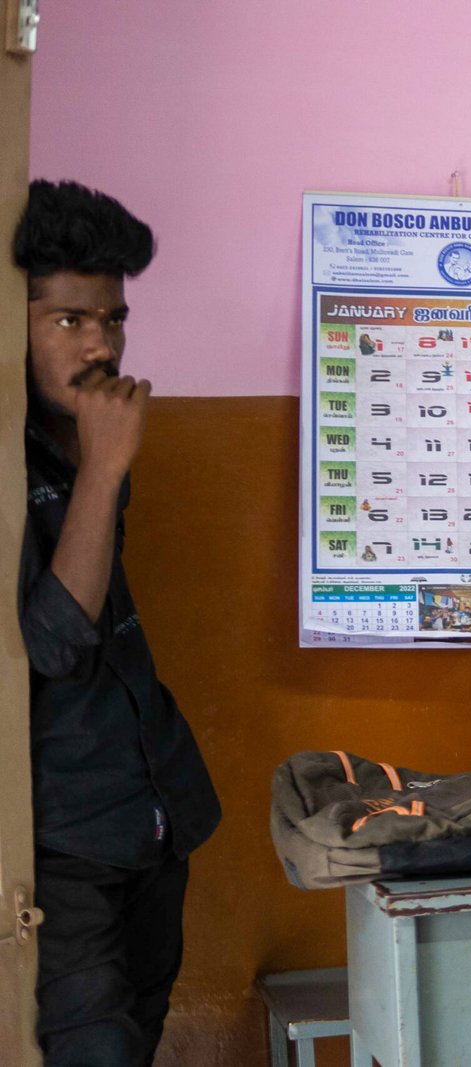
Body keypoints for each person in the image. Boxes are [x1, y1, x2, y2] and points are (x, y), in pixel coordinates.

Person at [15, 180, 221, 1065]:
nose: (100, 344)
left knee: (136, 1037)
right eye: (68, 321)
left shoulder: (89, 433)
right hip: (60, 843)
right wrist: (104, 469)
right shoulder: (39, 454)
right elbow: (53, 643)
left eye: (114, 318)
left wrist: (100, 464)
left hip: (154, 811)